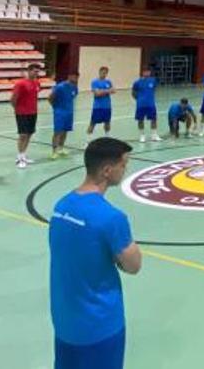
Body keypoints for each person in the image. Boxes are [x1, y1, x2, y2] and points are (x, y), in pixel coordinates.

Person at [49, 138, 142, 369]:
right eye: (123, 164)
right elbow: (134, 265)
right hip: (99, 323)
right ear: (107, 170)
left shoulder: (61, 206)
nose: (126, 169)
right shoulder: (111, 218)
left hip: (65, 321)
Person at [10, 64, 43, 169]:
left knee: (29, 134)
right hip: (22, 113)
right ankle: (19, 157)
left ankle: (23, 154)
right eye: (34, 71)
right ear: (28, 71)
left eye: (38, 72)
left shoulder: (37, 83)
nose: (36, 73)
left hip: (33, 112)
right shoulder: (20, 83)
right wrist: (17, 109)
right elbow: (13, 99)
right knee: (23, 134)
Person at [48, 71, 79, 160]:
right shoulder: (60, 86)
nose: (75, 78)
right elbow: (50, 98)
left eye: (77, 77)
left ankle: (61, 148)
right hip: (60, 113)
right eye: (73, 76)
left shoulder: (74, 87)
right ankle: (54, 151)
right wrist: (56, 108)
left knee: (65, 131)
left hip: (69, 113)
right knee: (57, 132)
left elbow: (73, 97)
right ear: (69, 76)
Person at [132, 67, 160, 143]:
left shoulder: (153, 80)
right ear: (142, 72)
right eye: (145, 72)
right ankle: (142, 136)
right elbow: (133, 93)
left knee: (154, 119)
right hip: (141, 104)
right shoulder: (137, 82)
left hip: (151, 104)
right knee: (140, 120)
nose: (147, 73)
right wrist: (139, 99)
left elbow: (154, 89)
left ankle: (154, 135)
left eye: (148, 71)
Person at [88, 66, 115, 140]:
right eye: (103, 72)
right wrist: (107, 90)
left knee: (107, 123)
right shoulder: (94, 82)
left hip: (107, 106)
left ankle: (107, 138)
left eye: (106, 73)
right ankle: (88, 141)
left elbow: (113, 91)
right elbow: (97, 94)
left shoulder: (108, 82)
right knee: (92, 123)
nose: (104, 74)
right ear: (99, 72)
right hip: (97, 107)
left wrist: (102, 91)